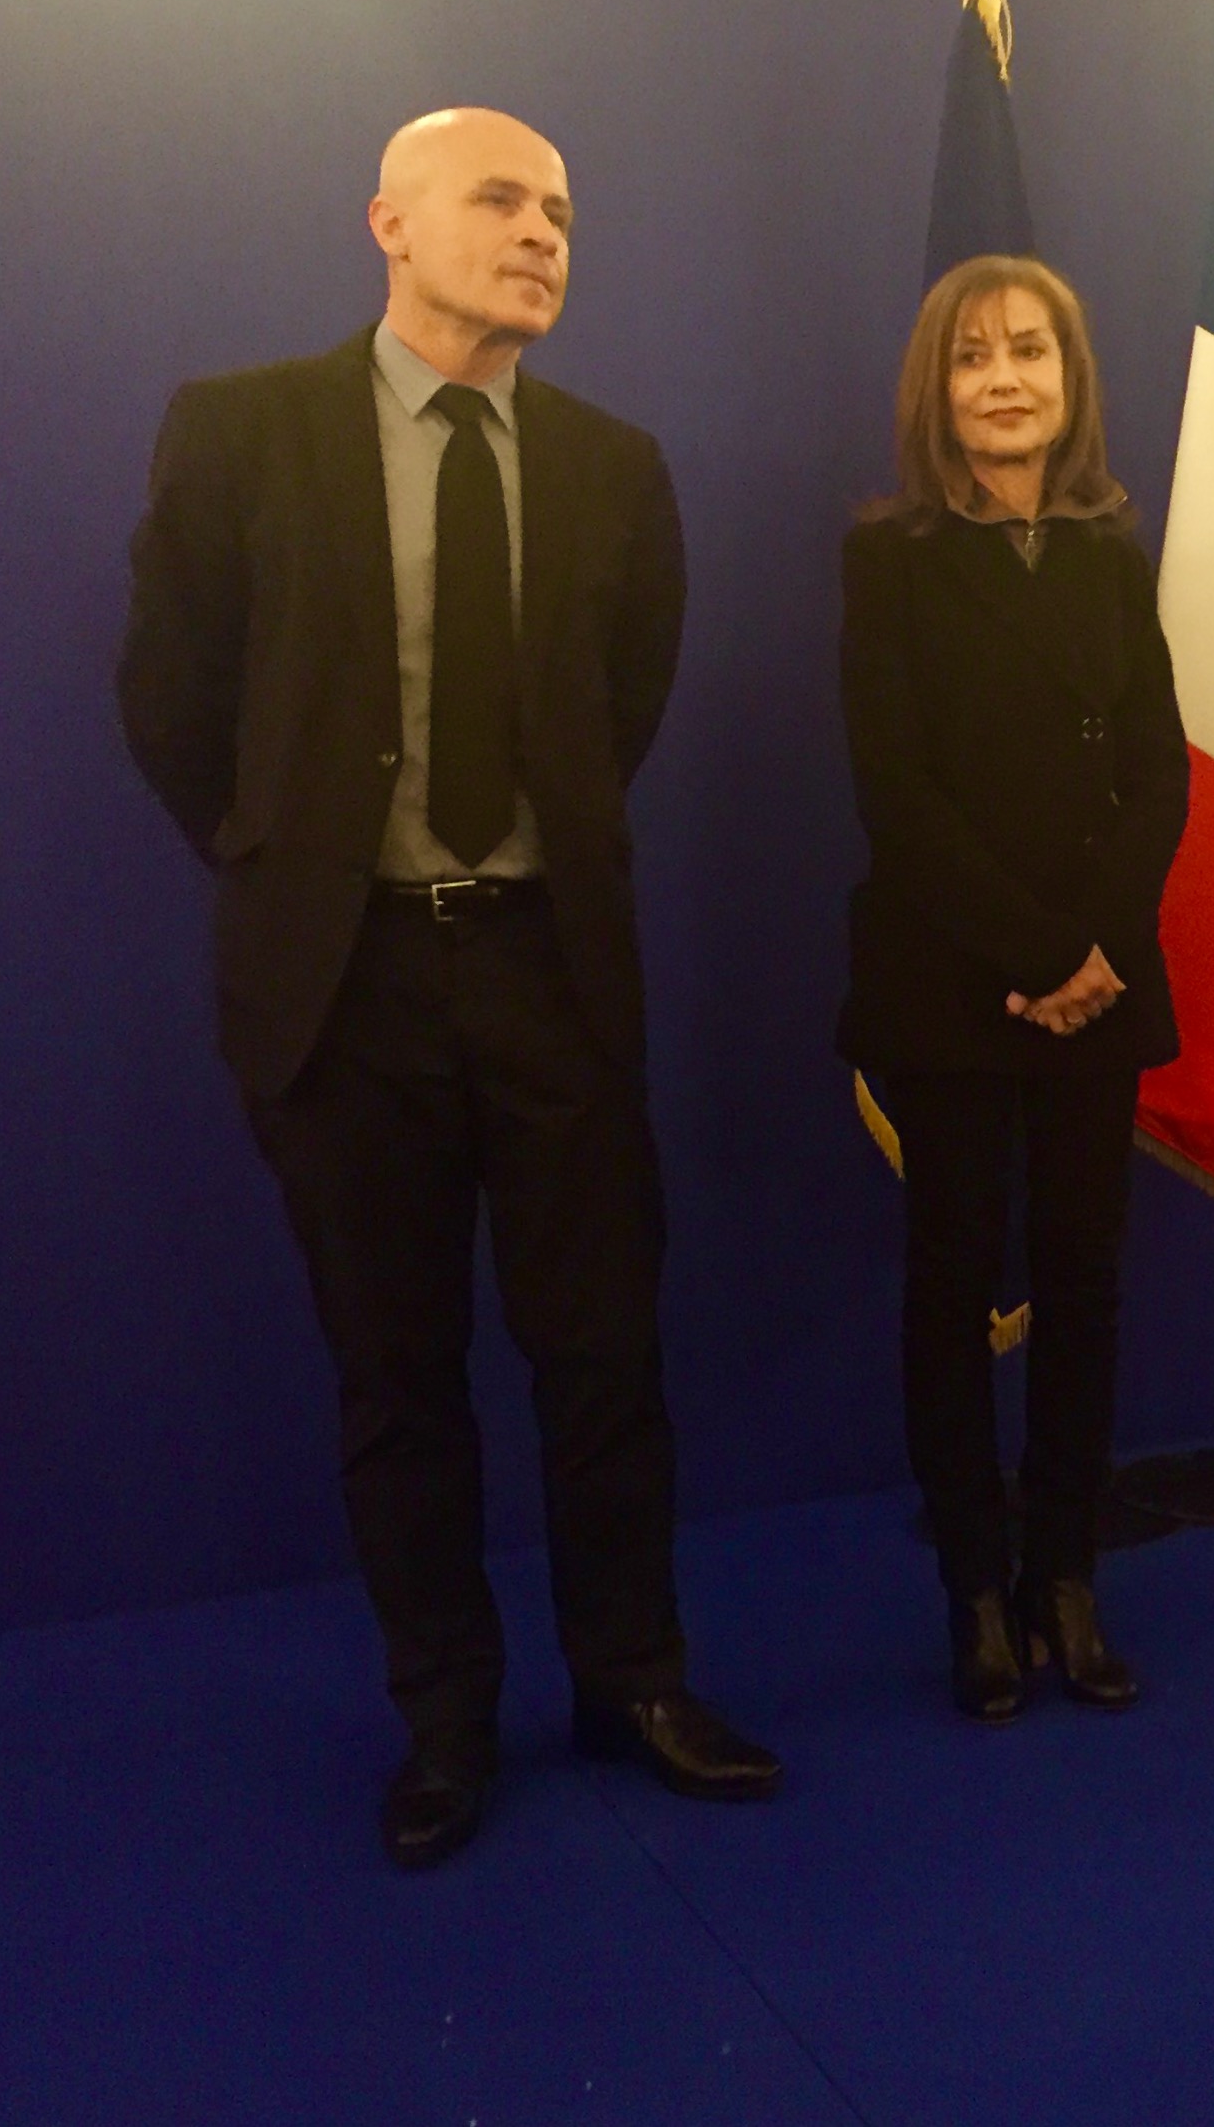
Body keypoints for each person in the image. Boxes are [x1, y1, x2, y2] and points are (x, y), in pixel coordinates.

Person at [118, 107, 779, 1869]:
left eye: (562, 208)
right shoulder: (245, 431)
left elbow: (616, 713)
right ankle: (449, 1716)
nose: (542, 233)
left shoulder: (612, 464)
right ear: (389, 225)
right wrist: (289, 861)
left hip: (553, 969)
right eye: (501, 200)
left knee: (605, 1359)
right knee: (398, 1377)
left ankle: (632, 1676)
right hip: (347, 990)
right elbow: (170, 699)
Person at [837, 255, 1188, 1723]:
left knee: (1090, 1288)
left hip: (1100, 985)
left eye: (1030, 352)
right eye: (974, 356)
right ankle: (977, 1593)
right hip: (953, 986)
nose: (1004, 379)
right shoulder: (890, 556)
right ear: (938, 387)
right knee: (952, 1284)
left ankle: (1067, 1577)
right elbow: (897, 792)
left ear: (1070, 378)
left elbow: (1160, 766)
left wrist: (1097, 947)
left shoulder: (1111, 543)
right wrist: (1036, 956)